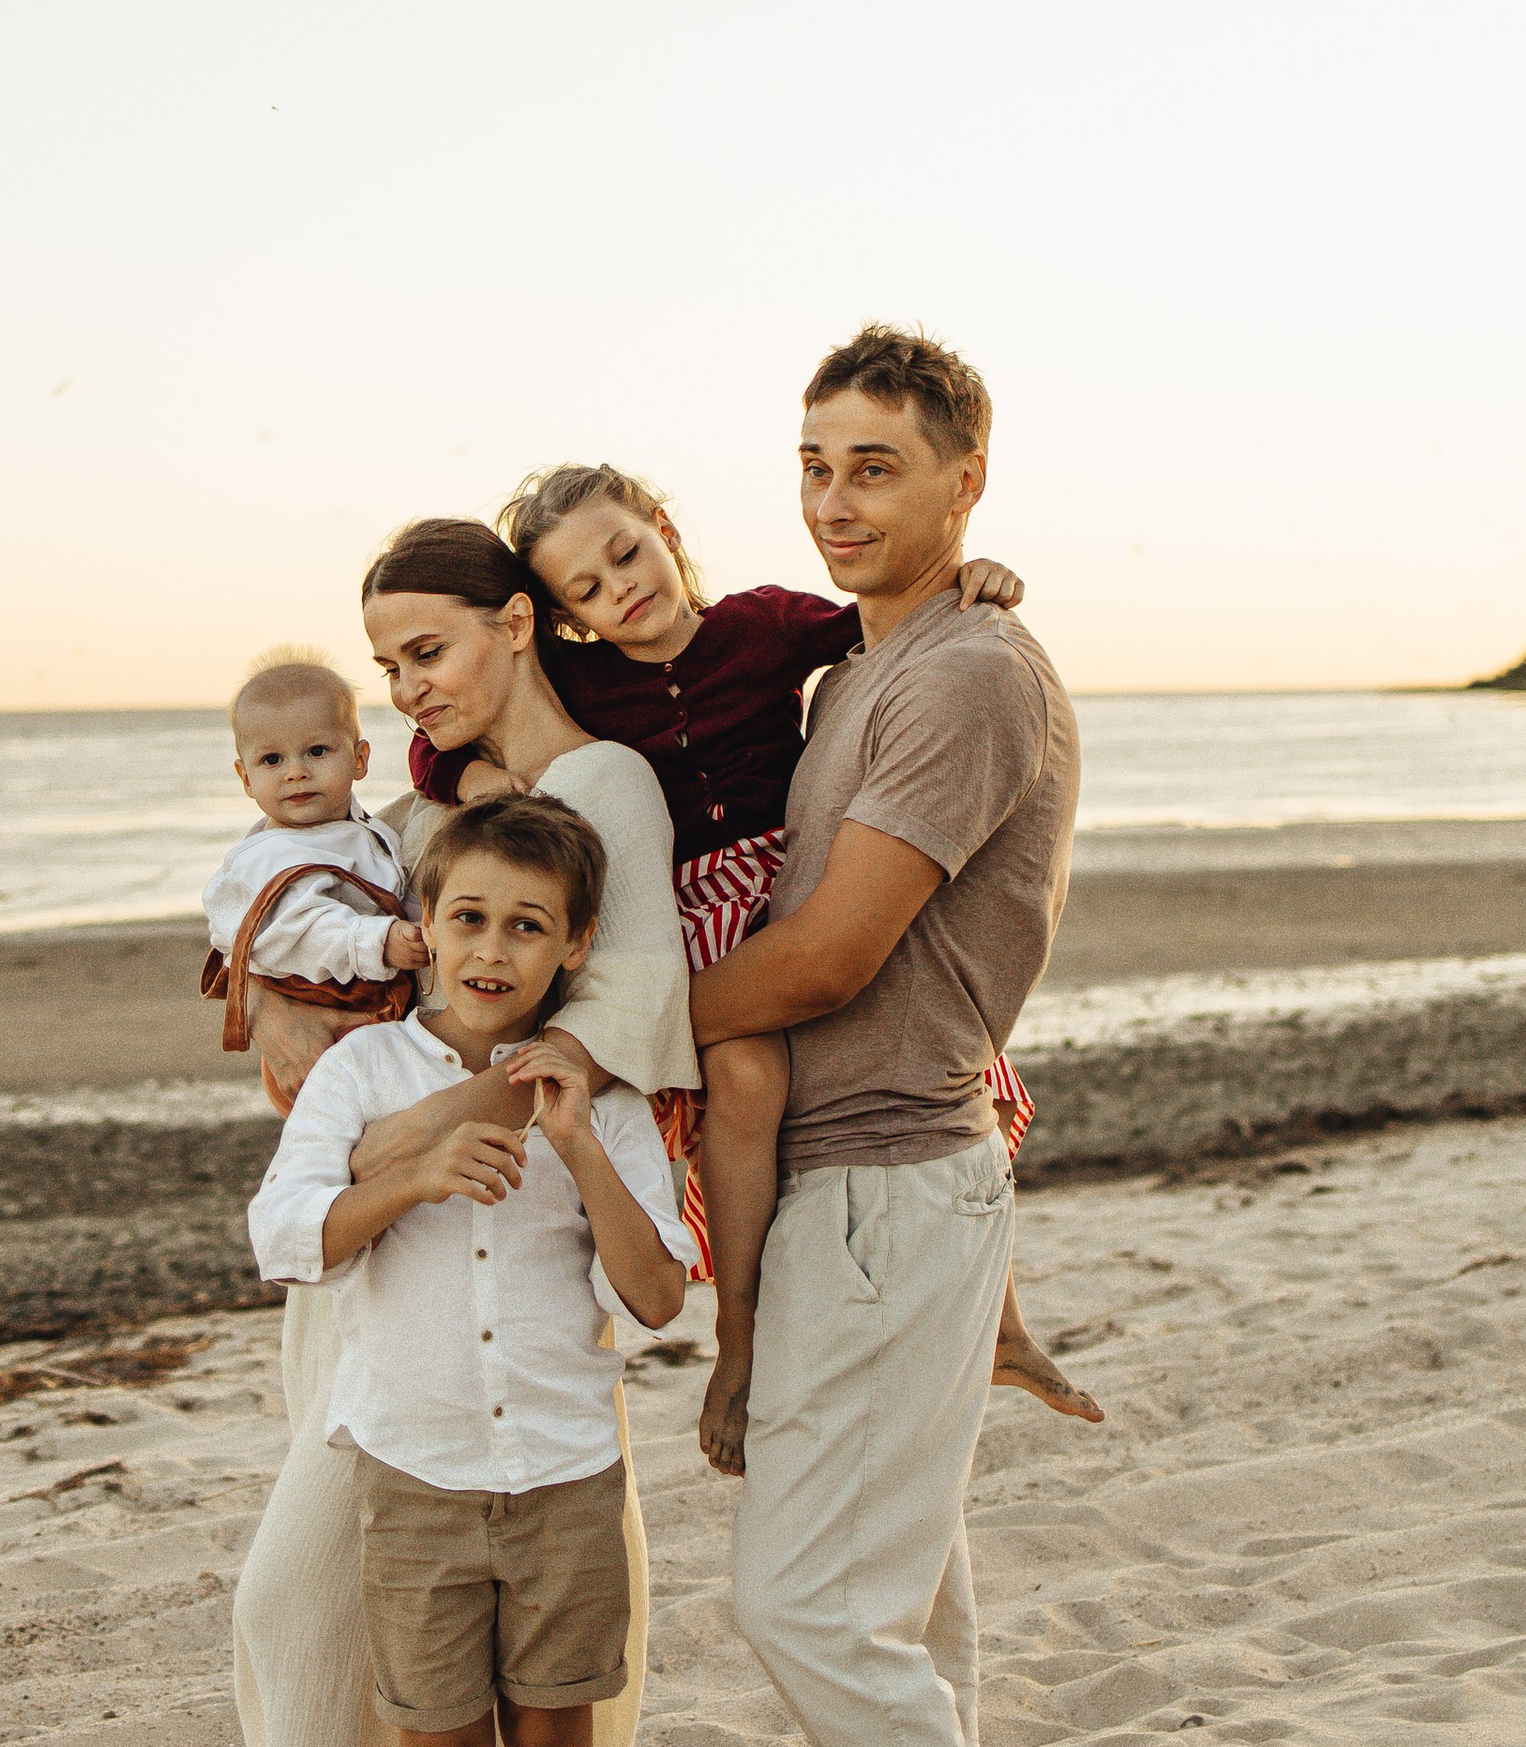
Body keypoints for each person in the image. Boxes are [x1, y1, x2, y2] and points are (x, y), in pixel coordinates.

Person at [147, 520, 691, 1747]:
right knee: (355, 1634)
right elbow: (317, 950)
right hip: (371, 1280)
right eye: (388, 664)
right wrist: (264, 1006)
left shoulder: (600, 789)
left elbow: (612, 1026)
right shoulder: (422, 805)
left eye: (429, 651)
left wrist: (393, 1132)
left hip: (516, 1265)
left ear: (517, 626)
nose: (407, 687)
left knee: (317, 1611)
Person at [687, 326, 1079, 1747]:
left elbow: (834, 956)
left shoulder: (969, 675)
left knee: (809, 1606)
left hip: (890, 1181)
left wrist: (604, 1029)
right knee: (909, 1607)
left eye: (876, 467)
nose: (835, 500)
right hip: (855, 1182)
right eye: (815, 465)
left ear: (964, 479)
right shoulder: (865, 668)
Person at [408, 464, 1100, 1439]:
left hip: (795, 880)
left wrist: (969, 578)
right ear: (563, 618)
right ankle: (737, 1331)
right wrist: (470, 779)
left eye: (627, 555)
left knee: (958, 1067)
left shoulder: (761, 624)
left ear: (662, 530)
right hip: (698, 905)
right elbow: (442, 738)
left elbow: (887, 624)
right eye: (588, 592)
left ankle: (1005, 1323)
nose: (621, 591)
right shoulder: (583, 680)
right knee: (745, 1076)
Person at [257, 793, 691, 1747]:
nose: (492, 950)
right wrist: (417, 1174)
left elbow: (657, 1295)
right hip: (417, 1477)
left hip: (563, 1474)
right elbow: (284, 1236)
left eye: (526, 927)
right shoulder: (364, 1076)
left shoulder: (603, 1101)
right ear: (427, 929)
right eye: (468, 920)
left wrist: (575, 1143)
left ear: (573, 948)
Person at [200, 652, 429, 1111]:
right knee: (340, 1130)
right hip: (322, 1025)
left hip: (371, 1012)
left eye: (317, 751)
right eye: (272, 759)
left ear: (359, 758)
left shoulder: (364, 830)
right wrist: (379, 941)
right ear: (246, 778)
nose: (295, 771)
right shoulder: (268, 857)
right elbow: (299, 928)